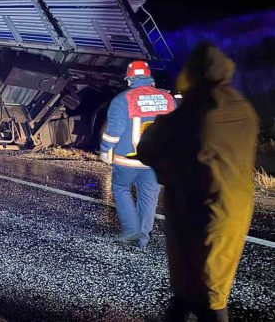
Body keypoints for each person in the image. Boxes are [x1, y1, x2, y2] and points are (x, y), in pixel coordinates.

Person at [136, 44, 259, 322]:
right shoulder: (243, 108)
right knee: (208, 285)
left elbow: (148, 147)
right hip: (235, 208)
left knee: (205, 294)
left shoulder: (193, 112)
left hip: (197, 210)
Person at [98, 60, 175, 249]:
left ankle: (131, 229)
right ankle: (142, 240)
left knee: (121, 188)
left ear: (129, 79)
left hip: (128, 160)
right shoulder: (168, 99)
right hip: (155, 162)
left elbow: (114, 132)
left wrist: (105, 150)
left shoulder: (122, 100)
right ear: (150, 78)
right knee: (148, 198)